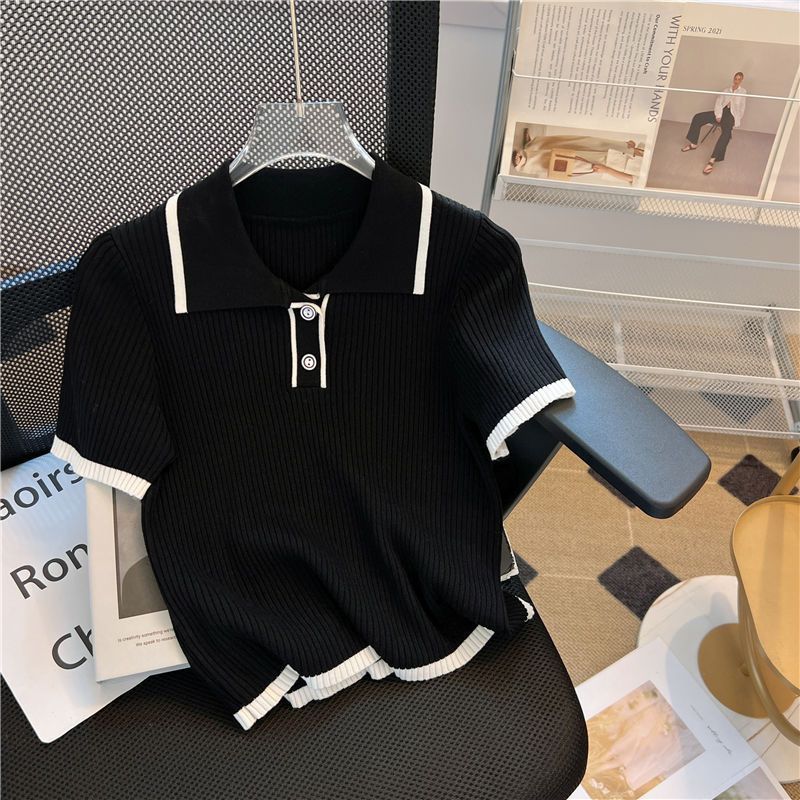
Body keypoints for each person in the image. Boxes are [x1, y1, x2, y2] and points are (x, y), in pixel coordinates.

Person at [681, 71, 747, 175]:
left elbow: (742, 107)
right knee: (698, 117)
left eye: (739, 79)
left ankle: (712, 160)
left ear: (742, 80)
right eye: (735, 78)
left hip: (731, 115)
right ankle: (693, 144)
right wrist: (718, 115)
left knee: (726, 135)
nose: (736, 81)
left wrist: (736, 120)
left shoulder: (743, 92)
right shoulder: (726, 90)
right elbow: (718, 102)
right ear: (733, 78)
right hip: (721, 112)